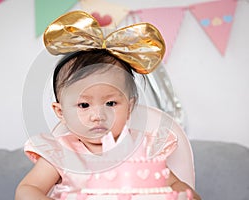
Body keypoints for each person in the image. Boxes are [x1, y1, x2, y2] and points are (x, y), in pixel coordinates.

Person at [15, 11, 201, 200]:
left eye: (111, 103)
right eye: (84, 105)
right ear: (61, 112)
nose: (98, 115)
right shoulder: (62, 152)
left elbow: (174, 184)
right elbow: (27, 190)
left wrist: (187, 195)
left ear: (129, 108)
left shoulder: (143, 149)